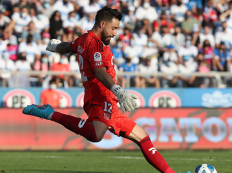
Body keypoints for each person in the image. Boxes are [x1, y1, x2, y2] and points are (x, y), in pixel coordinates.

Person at [22, 7, 176, 173]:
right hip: (100, 97)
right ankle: (50, 113)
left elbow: (68, 47)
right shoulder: (95, 45)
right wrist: (119, 90)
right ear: (103, 24)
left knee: (142, 137)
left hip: (108, 102)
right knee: (96, 135)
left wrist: (55, 47)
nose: (115, 33)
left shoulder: (83, 40)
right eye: (114, 28)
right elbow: (99, 71)